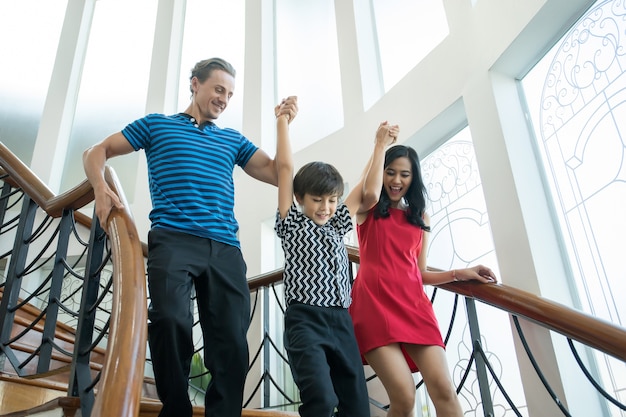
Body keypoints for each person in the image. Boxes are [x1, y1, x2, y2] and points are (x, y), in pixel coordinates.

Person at [82, 57, 298, 417]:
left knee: (231, 342)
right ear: (194, 84)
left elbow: (279, 174)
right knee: (169, 320)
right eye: (218, 89)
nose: (224, 99)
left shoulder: (232, 141)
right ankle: (176, 408)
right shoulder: (156, 126)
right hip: (173, 239)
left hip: (225, 247)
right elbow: (96, 152)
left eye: (229, 94)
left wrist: (282, 123)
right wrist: (102, 190)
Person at [347, 142, 497, 417]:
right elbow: (367, 188)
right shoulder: (368, 208)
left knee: (444, 390)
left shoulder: (420, 218)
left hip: (414, 306)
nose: (396, 180)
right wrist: (379, 145)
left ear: (413, 177)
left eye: (404, 174)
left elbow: (419, 271)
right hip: (374, 307)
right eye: (390, 172)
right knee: (404, 398)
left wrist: (459, 273)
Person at [274, 112, 398, 416]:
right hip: (305, 320)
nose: (325, 207)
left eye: (331, 200)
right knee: (321, 399)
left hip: (341, 320)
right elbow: (286, 169)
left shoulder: (337, 221)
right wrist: (282, 123)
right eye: (317, 199)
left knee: (357, 406)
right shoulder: (292, 223)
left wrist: (379, 146)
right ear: (301, 198)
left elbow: (367, 193)